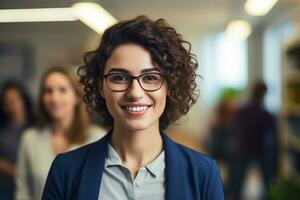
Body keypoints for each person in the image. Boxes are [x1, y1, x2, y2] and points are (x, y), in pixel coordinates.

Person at [42, 16, 224, 200]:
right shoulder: (66, 171)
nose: (135, 93)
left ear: (169, 86)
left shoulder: (203, 173)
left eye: (150, 77)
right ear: (101, 87)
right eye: (120, 78)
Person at [16, 67, 107, 200]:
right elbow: (23, 191)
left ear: (76, 97)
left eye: (62, 90)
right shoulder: (30, 138)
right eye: (48, 91)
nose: (54, 98)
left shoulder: (98, 138)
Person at [231, 81, 277, 200]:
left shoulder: (242, 111)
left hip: (243, 149)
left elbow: (236, 129)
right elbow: (270, 135)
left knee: (237, 184)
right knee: (267, 179)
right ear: (264, 94)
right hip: (258, 150)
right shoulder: (266, 114)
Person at [0, 80, 34, 200]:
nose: (12, 105)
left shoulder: (36, 127)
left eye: (15, 100)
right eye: (8, 102)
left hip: (34, 186)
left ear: (23, 100)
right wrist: (9, 168)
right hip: (7, 188)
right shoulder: (3, 130)